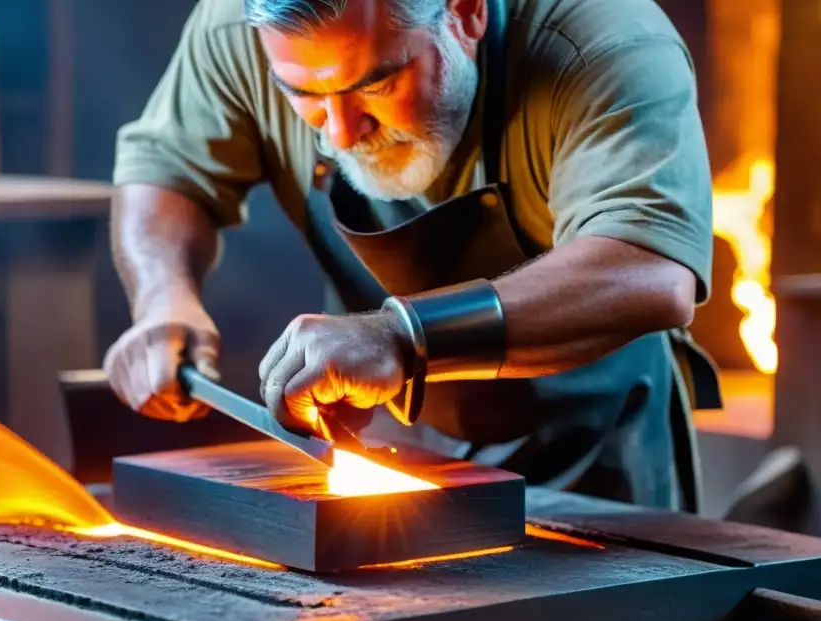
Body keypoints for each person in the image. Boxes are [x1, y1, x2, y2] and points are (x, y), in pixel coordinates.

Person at [104, 0, 722, 512]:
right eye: (304, 95)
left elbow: (648, 267)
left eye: (377, 84)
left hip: (596, 453)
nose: (341, 132)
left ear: (466, 12)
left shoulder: (604, 42)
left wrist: (403, 338)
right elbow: (168, 169)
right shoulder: (246, 24)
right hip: (388, 443)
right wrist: (164, 300)